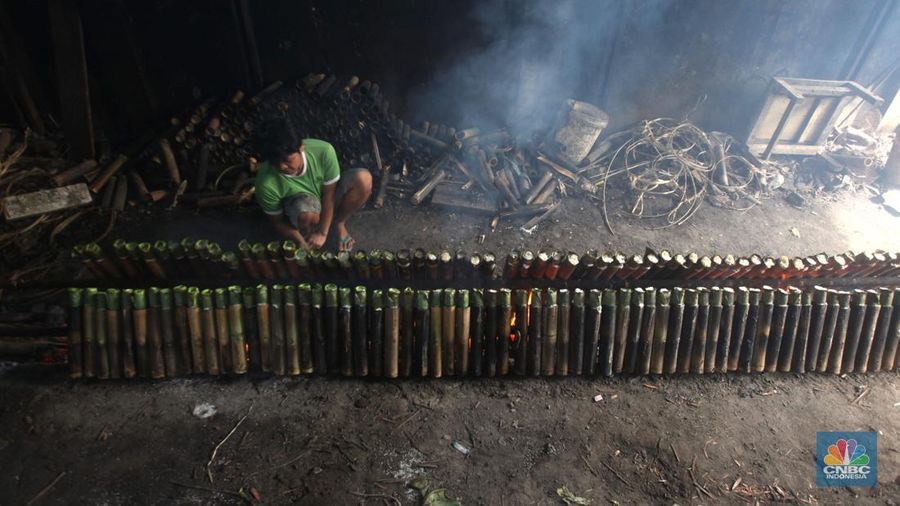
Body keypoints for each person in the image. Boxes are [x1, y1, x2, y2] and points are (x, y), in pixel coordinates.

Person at [252, 116, 372, 251]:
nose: (282, 166)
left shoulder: (324, 151)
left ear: (301, 147)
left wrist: (322, 233)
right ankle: (309, 233)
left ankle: (338, 223)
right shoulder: (265, 184)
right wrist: (299, 241)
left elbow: (329, 196)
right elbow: (278, 222)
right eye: (274, 162)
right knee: (306, 214)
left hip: (326, 198)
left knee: (363, 179)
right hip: (300, 210)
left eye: (287, 160)